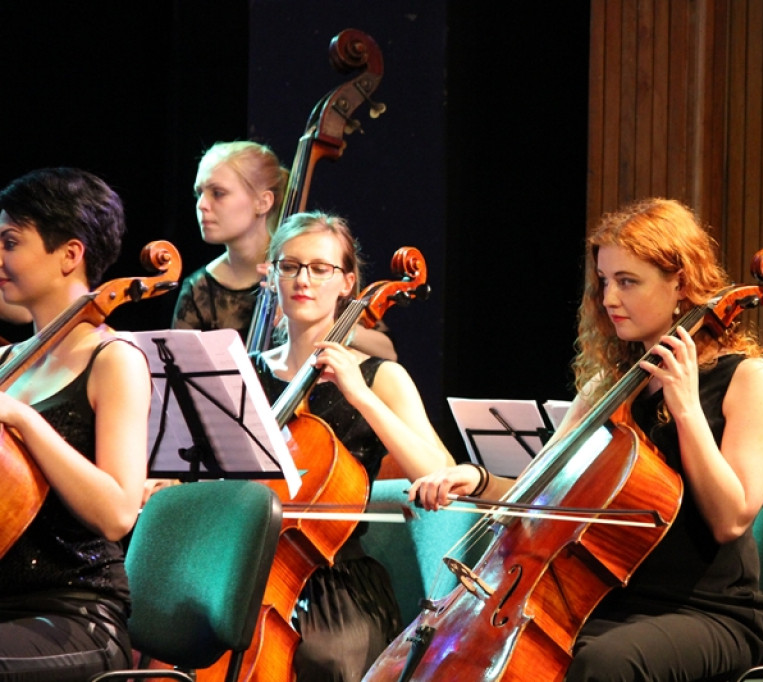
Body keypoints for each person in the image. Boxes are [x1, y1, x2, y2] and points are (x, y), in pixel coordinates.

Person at [411, 197, 763, 681]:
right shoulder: (606, 388)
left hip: (711, 611)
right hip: (608, 600)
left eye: (628, 282)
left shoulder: (749, 379)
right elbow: (542, 499)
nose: (609, 298)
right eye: (605, 281)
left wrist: (686, 408)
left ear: (681, 283)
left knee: (604, 661)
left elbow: (731, 520)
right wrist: (476, 478)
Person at [253, 210, 453, 681]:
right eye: (290, 266)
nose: (303, 279)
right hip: (246, 567)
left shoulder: (378, 377)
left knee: (324, 658)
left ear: (347, 282)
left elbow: (437, 470)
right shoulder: (245, 373)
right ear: (272, 276)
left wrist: (358, 394)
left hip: (336, 583)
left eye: (320, 269)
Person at [0, 168, 152, 680]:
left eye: (11, 242)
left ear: (70, 254)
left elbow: (116, 513)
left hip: (76, 615)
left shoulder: (114, 360)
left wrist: (22, 417)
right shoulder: (7, 361)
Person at [171, 140, 395, 358]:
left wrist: (324, 324)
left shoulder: (312, 270)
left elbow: (387, 351)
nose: (201, 205)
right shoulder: (198, 288)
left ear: (263, 202)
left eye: (218, 193)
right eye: (198, 193)